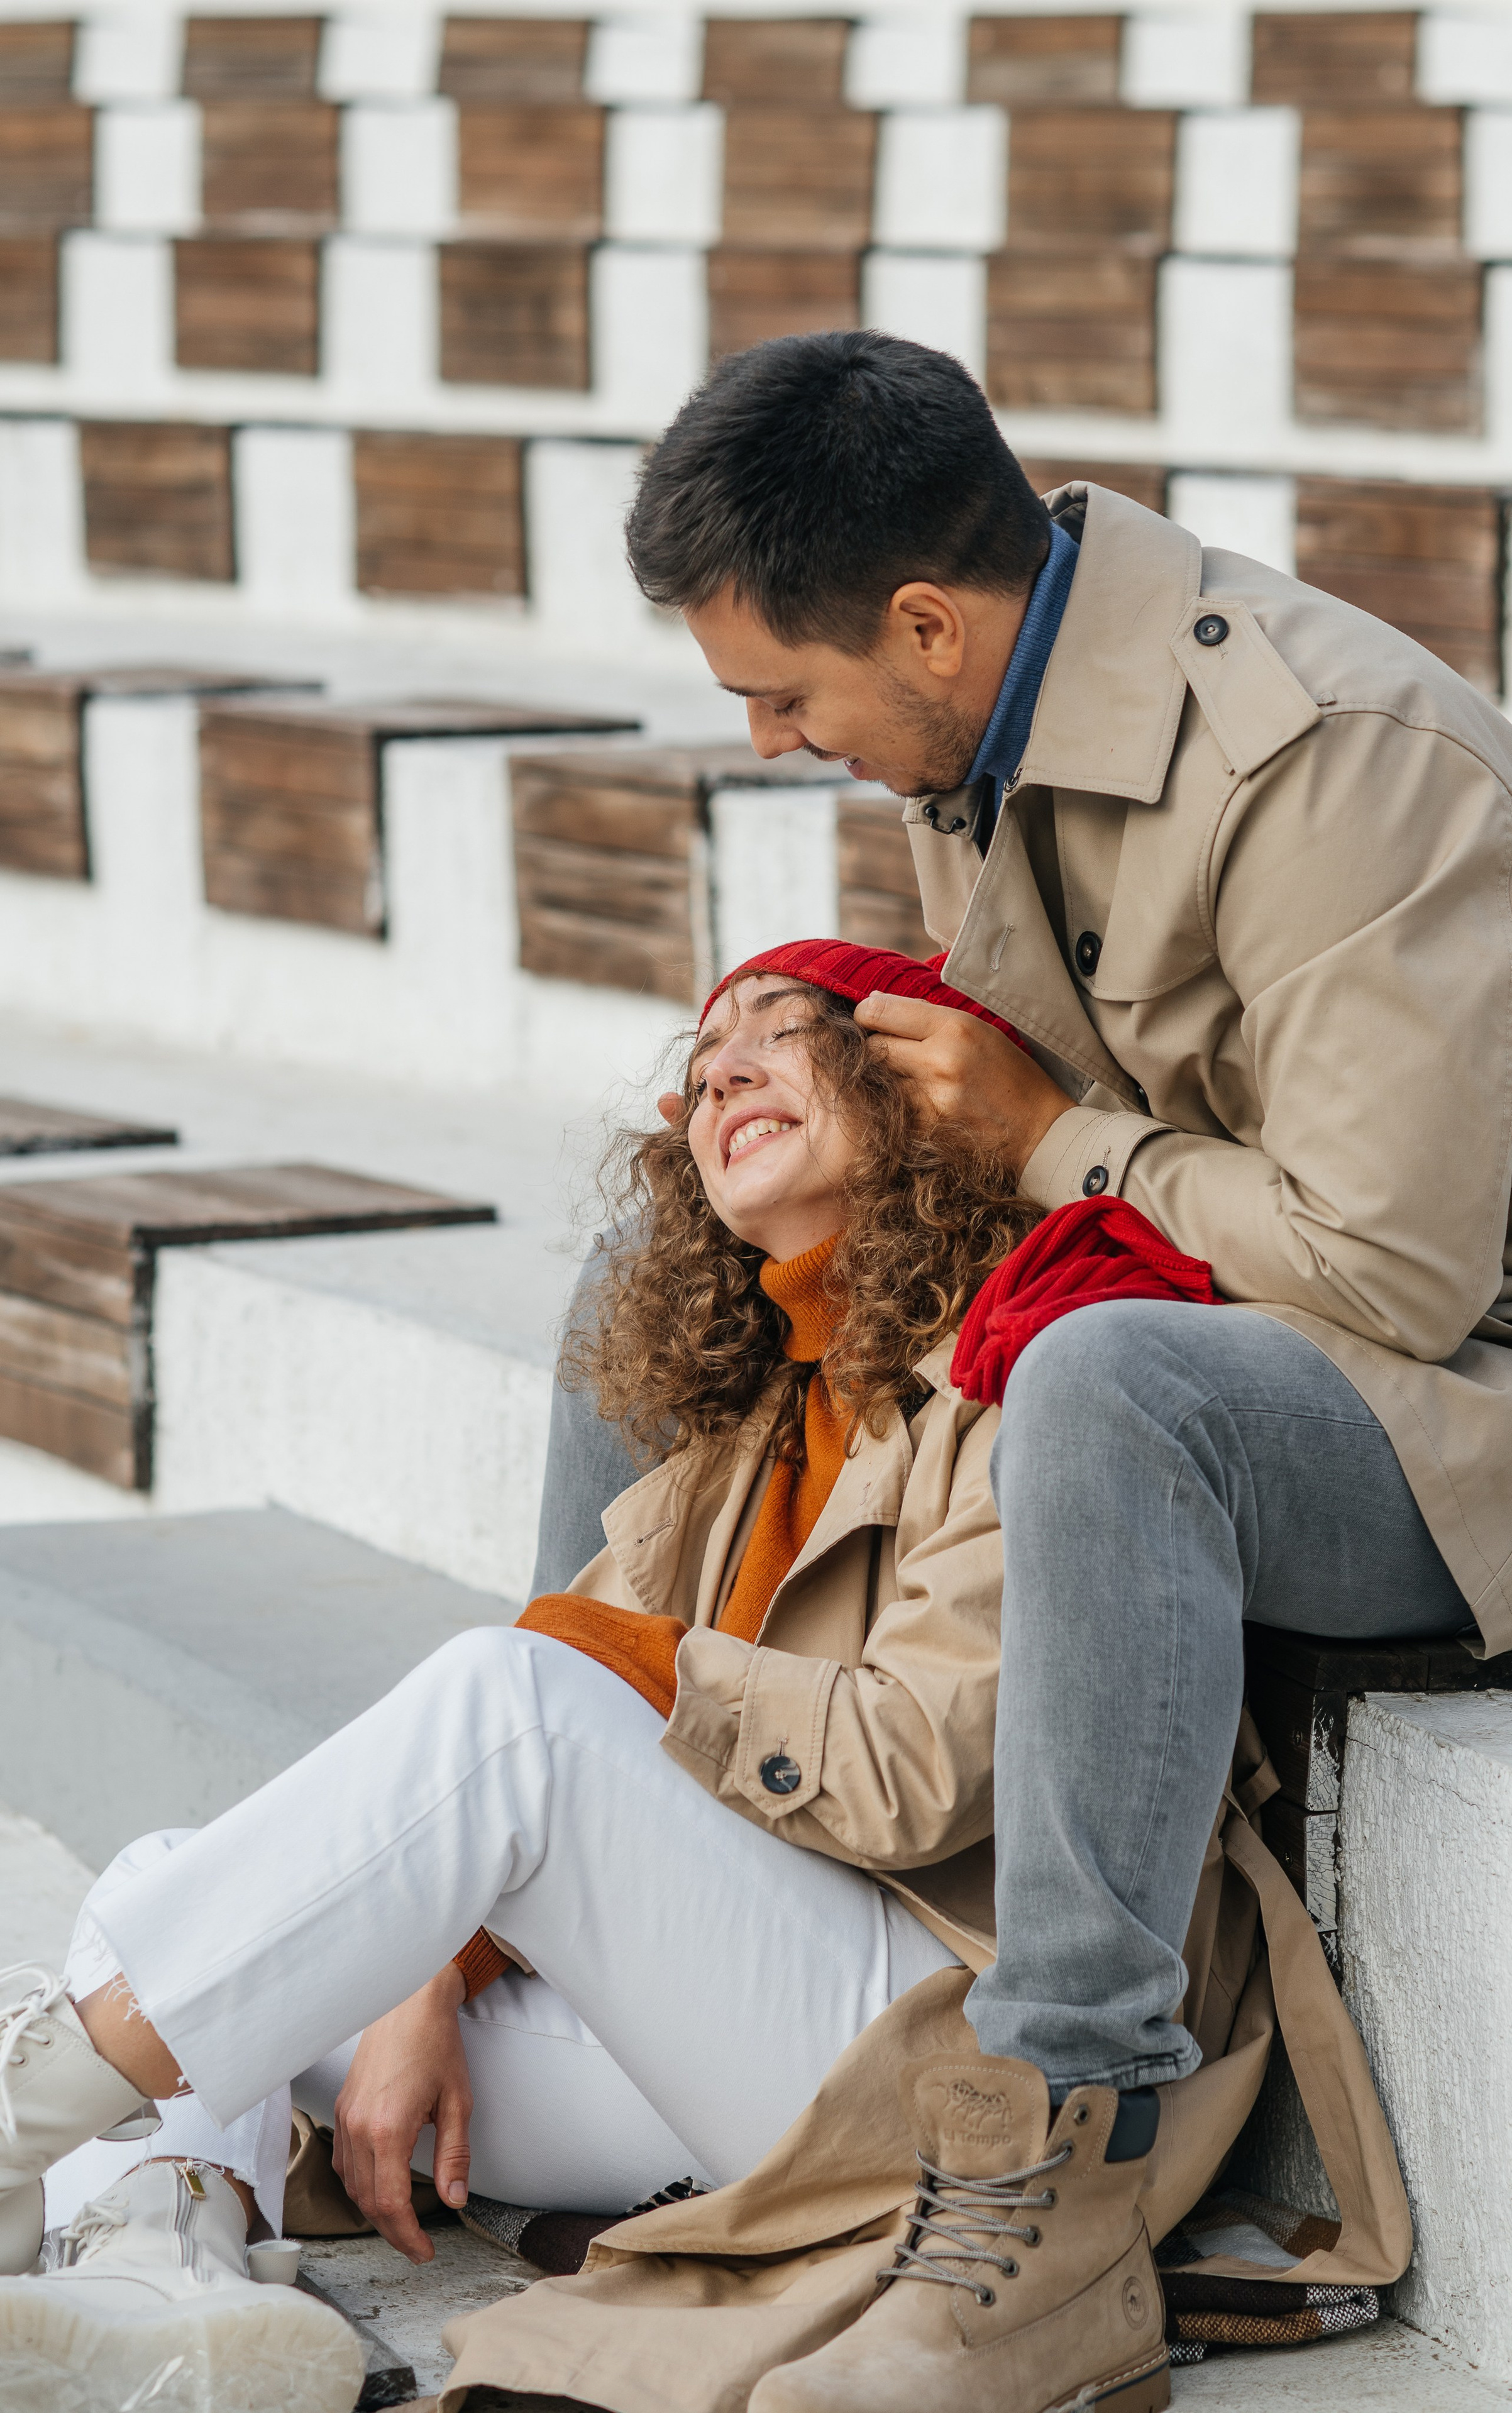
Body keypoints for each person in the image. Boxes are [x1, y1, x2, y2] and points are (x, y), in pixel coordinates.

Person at [523, 328, 1512, 2413]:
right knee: (664, 1231)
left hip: (1469, 1403)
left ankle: (1055, 2161)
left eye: (784, 692)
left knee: (1114, 1380)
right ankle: (576, 1779)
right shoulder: (983, 725)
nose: (768, 738)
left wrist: (1048, 1141)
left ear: (926, 622)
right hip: (1186, 1291)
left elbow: (1394, 1271)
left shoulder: (1347, 763)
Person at [0, 943, 1068, 2406]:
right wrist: (430, 1969)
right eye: (700, 1071)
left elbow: (918, 1767)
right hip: (708, 2038)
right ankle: (161, 2288)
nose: (725, 1071)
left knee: (511, 1692)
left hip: (909, 2043)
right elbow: (524, 1755)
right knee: (160, 1885)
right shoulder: (738, 1445)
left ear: (917, 1085)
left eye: (783, 1031)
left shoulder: (1017, 1378)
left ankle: (20, 2125)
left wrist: (609, 1672)